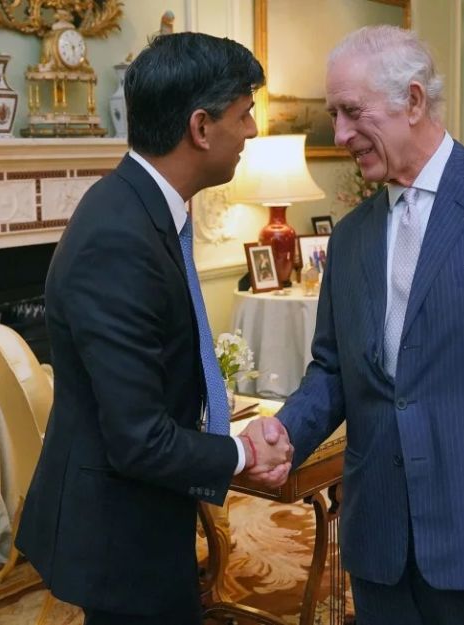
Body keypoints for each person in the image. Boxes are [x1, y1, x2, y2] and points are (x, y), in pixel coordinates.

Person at [255, 26, 464, 624]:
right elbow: (336, 368)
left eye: (350, 112)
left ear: (413, 101)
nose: (339, 135)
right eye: (334, 115)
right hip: (381, 536)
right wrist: (284, 430)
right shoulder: (352, 235)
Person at [15, 32, 292, 625]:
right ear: (200, 127)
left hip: (143, 513)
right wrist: (241, 451)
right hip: (119, 533)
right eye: (243, 115)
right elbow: (138, 439)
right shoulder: (120, 237)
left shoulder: (143, 207)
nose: (250, 132)